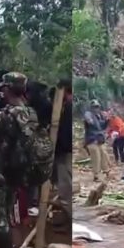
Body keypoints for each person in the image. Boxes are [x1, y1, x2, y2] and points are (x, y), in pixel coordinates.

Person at [0, 72, 49, 248]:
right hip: (18, 170)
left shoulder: (3, 115)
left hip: (0, 168)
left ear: (7, 89)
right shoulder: (31, 114)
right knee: (8, 209)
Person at [54, 80, 73, 219]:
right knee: (66, 180)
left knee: (65, 181)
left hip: (65, 151)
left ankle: (68, 214)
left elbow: (65, 131)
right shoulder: (68, 106)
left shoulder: (69, 107)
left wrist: (61, 148)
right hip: (66, 149)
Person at [84, 100, 109, 182]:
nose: (96, 109)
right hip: (92, 140)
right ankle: (96, 175)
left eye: (97, 107)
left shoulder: (100, 115)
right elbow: (90, 122)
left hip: (99, 140)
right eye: (94, 107)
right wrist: (90, 120)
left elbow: (103, 126)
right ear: (91, 108)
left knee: (104, 155)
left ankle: (106, 171)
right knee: (96, 158)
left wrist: (107, 120)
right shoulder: (88, 114)